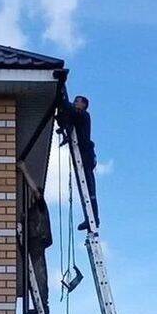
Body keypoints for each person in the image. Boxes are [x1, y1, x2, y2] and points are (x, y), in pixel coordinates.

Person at [57, 93, 99, 230]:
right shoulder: (77, 117)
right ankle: (89, 218)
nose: (75, 103)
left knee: (89, 188)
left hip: (86, 155)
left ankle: (94, 219)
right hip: (82, 154)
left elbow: (70, 110)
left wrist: (62, 98)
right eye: (74, 101)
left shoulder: (83, 115)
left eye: (77, 101)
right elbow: (67, 115)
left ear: (84, 105)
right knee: (84, 188)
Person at [25, 187, 52, 314]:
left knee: (39, 273)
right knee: (34, 276)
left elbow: (36, 192)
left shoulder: (40, 206)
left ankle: (43, 306)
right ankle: (39, 305)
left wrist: (24, 170)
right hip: (33, 243)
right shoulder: (32, 210)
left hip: (37, 241)